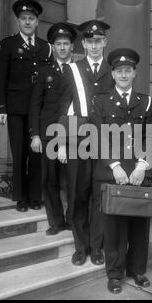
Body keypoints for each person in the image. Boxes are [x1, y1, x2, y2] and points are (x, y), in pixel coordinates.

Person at [90, 48, 152, 294]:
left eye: (128, 71)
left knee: (139, 224)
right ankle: (115, 274)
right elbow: (96, 137)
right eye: (119, 71)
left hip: (139, 173)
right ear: (113, 73)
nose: (124, 75)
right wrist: (115, 165)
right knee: (114, 226)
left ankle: (138, 270)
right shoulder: (101, 101)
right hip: (112, 173)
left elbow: (151, 138)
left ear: (134, 73)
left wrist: (142, 166)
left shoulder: (146, 102)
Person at [57, 20, 115, 266]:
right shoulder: (72, 69)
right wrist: (61, 142)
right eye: (89, 41)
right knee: (78, 193)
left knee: (100, 195)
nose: (94, 45)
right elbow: (63, 106)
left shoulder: (114, 70)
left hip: (104, 142)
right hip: (77, 141)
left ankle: (96, 246)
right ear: (83, 43)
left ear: (105, 42)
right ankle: (80, 247)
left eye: (98, 41)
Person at [0, 0, 52, 212]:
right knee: (19, 153)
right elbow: (0, 78)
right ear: (18, 21)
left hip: (38, 111)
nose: (28, 22)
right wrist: (1, 108)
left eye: (31, 19)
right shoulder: (8, 45)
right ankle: (20, 197)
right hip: (16, 109)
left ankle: (35, 196)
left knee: (36, 153)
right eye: (24, 18)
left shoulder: (45, 47)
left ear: (37, 22)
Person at [29, 23, 77, 235]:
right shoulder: (43, 71)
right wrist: (35, 134)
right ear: (53, 46)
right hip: (48, 133)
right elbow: (35, 104)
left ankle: (72, 219)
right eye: (58, 44)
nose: (63, 47)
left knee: (72, 180)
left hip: (72, 132)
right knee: (50, 180)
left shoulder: (77, 71)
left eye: (66, 43)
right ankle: (56, 222)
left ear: (72, 46)